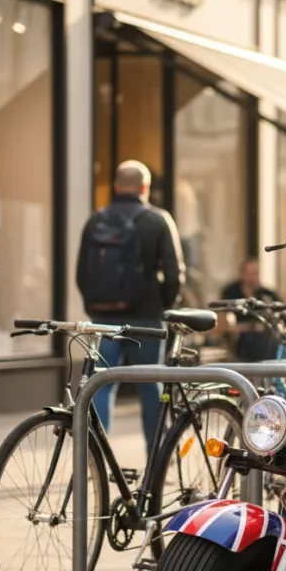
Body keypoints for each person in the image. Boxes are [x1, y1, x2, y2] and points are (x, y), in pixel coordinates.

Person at [76, 160, 185, 449]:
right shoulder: (157, 220)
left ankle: (96, 457)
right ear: (144, 188)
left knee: (101, 385)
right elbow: (174, 274)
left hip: (103, 319)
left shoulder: (95, 220)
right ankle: (156, 459)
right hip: (146, 320)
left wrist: (96, 308)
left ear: (115, 186)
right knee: (150, 388)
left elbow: (81, 273)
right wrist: (163, 306)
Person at [220, 257, 281, 362]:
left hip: (265, 341)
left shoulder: (267, 295)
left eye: (255, 273)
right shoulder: (231, 293)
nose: (251, 277)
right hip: (239, 341)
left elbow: (277, 319)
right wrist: (251, 327)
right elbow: (224, 323)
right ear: (242, 274)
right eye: (248, 273)